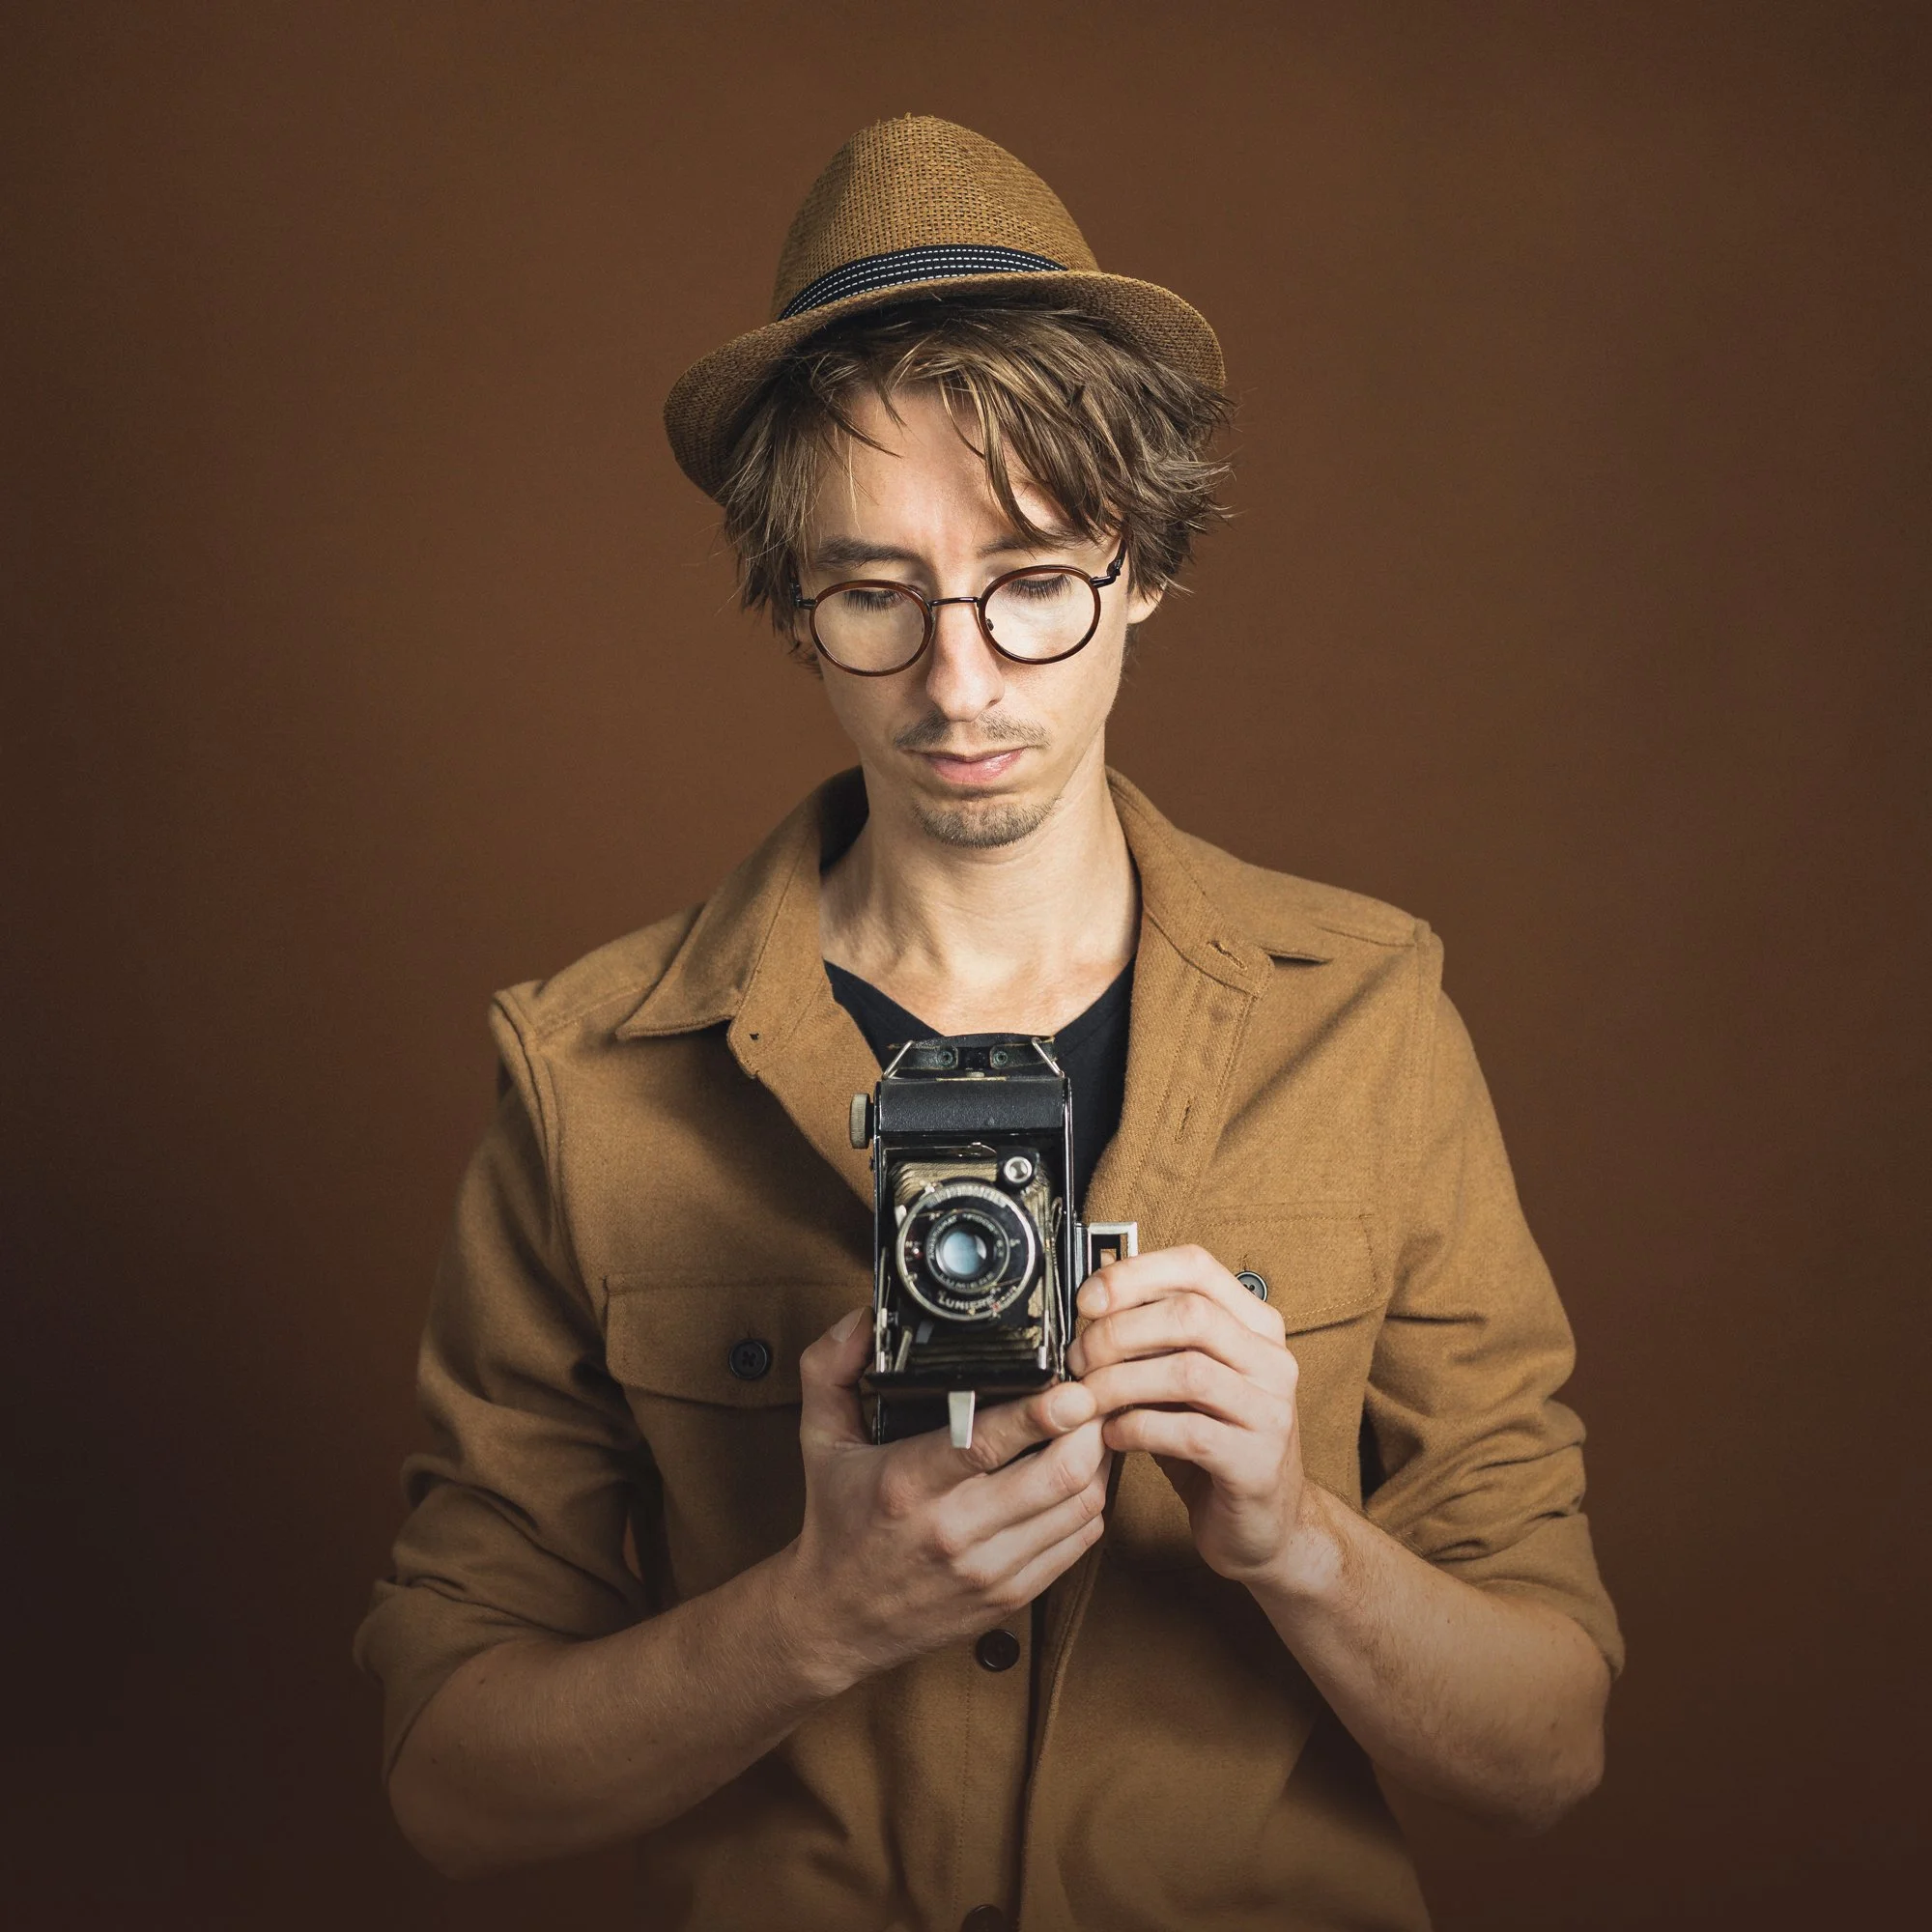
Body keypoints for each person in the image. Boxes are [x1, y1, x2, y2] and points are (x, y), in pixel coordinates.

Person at [354, 115, 1623, 1932]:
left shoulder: (1373, 1021)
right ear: (795, 606)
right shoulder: (587, 1078)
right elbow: (451, 1780)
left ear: (1148, 567)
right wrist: (812, 1619)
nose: (960, 684)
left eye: (1032, 582)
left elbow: (1547, 1752)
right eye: (877, 593)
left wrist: (1293, 1541)